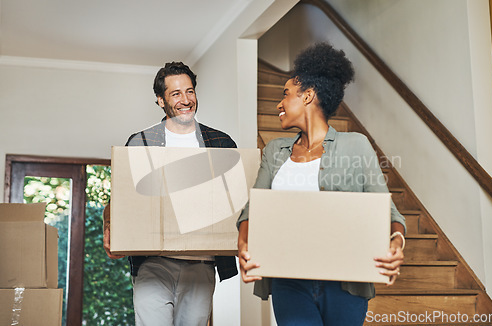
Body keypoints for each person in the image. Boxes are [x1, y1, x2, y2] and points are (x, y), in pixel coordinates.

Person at [237, 42, 406, 326]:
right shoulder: (275, 151)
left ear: (308, 96)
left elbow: (388, 212)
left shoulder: (356, 146)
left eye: (286, 94)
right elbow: (253, 209)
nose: (279, 103)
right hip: (287, 280)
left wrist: (396, 242)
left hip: (345, 284)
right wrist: (243, 244)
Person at [103, 61, 238, 326]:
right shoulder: (141, 141)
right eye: (176, 94)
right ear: (160, 100)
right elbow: (121, 195)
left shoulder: (221, 143)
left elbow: (235, 200)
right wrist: (110, 227)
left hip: (202, 263)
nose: (185, 100)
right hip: (153, 262)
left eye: (190, 92)